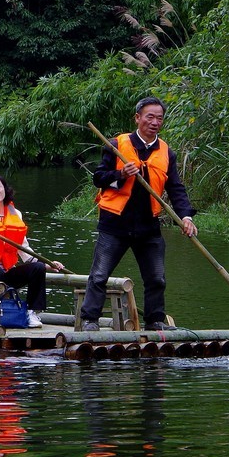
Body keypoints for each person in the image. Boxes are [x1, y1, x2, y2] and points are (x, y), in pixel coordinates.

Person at [80, 96, 197, 332]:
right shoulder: (115, 144)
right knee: (99, 275)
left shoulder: (166, 152)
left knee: (157, 279)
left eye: (159, 118)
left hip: (148, 226)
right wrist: (120, 174)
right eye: (149, 117)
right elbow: (98, 179)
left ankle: (155, 321)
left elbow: (176, 188)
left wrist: (186, 216)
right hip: (115, 224)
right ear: (138, 118)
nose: (154, 122)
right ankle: (89, 320)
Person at [0, 173, 63, 328]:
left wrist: (48, 265)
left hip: (5, 273)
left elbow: (24, 251)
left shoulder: (16, 214)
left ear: (5, 189)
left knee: (37, 268)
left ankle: (31, 312)